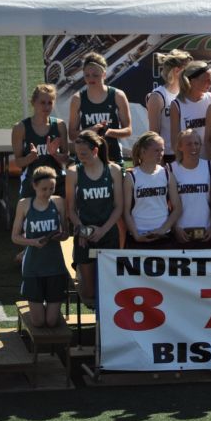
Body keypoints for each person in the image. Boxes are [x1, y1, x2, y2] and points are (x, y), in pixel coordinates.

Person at [65, 130, 123, 306]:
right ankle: (81, 273)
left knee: (109, 288)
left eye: (83, 153)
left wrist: (103, 230)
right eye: (77, 153)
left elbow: (119, 207)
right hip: (85, 236)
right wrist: (82, 230)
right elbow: (71, 209)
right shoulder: (73, 172)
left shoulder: (113, 170)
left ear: (95, 151)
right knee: (89, 294)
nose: (79, 157)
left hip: (108, 234)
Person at [10, 166, 70, 328]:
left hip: (55, 266)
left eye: (52, 188)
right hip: (33, 266)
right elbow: (15, 237)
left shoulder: (58, 202)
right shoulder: (24, 204)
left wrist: (60, 235)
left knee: (51, 321)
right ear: (34, 186)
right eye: (44, 188)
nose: (48, 192)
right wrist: (33, 242)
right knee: (38, 322)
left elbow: (66, 233)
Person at [68, 52, 132, 166]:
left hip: (112, 157)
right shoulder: (77, 98)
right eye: (87, 75)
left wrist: (108, 132)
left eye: (95, 75)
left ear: (104, 75)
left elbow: (128, 130)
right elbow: (72, 135)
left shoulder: (117, 95)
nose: (91, 79)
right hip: (86, 159)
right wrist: (90, 131)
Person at [123, 132, 181, 248]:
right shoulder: (131, 176)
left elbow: (177, 208)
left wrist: (162, 230)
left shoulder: (166, 174)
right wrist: (136, 236)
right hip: (139, 237)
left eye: (162, 150)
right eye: (156, 150)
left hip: (163, 238)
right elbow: (126, 212)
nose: (160, 154)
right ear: (143, 152)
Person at [11, 83, 70, 198]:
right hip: (33, 182)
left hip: (56, 182)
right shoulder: (20, 128)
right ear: (33, 102)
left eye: (50, 103)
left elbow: (66, 159)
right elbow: (18, 162)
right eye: (42, 103)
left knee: (61, 214)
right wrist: (30, 158)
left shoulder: (59, 125)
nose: (46, 107)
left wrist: (55, 154)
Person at [147, 49, 193, 164]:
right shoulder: (158, 96)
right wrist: (160, 162)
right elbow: (154, 134)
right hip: (168, 156)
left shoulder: (188, 94)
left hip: (188, 154)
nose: (192, 74)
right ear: (177, 71)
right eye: (188, 70)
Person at [170, 129, 211, 249]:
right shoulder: (170, 169)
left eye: (196, 143)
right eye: (188, 144)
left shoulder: (210, 166)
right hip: (181, 232)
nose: (193, 147)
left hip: (206, 231)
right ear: (180, 147)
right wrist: (175, 228)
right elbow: (165, 204)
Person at [169, 61, 211, 159]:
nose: (210, 83)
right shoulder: (177, 105)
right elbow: (175, 140)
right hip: (190, 162)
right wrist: (183, 163)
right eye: (206, 80)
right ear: (193, 81)